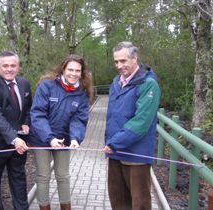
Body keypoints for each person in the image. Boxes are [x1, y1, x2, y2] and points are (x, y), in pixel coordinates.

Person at [28, 54, 93, 210]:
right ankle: (44, 207)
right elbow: (38, 114)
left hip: (64, 139)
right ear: (63, 69)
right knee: (43, 176)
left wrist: (75, 138)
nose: (73, 73)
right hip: (41, 138)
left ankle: (66, 207)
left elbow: (79, 119)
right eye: (70, 69)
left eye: (78, 71)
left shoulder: (82, 93)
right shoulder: (47, 86)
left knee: (63, 175)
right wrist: (50, 138)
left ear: (82, 73)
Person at [102, 41, 161, 210]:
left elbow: (141, 122)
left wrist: (114, 143)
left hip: (136, 155)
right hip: (114, 152)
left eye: (123, 61)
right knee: (118, 200)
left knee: (139, 202)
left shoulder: (148, 84)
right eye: (116, 62)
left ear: (134, 59)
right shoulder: (116, 82)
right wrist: (111, 144)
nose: (119, 66)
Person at [0, 51, 32, 210]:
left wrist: (26, 122)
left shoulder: (24, 83)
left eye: (13, 65)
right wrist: (14, 138)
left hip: (19, 145)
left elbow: (29, 108)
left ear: (18, 67)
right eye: (5, 66)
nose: (9, 69)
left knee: (19, 180)